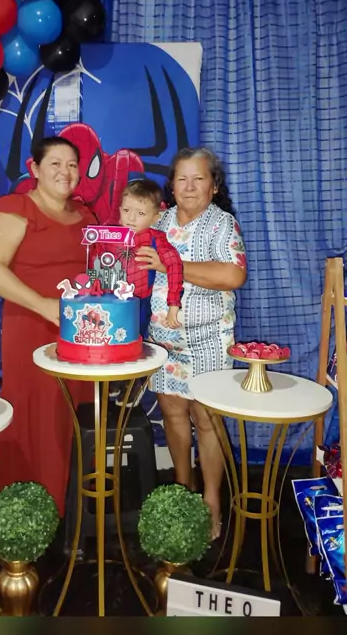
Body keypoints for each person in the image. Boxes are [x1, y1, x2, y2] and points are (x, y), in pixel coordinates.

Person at [0, 136, 95, 517]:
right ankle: (31, 513)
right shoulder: (16, 209)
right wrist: (43, 305)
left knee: (74, 416)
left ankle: (72, 508)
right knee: (37, 417)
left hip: (80, 333)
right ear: (35, 168)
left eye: (72, 164)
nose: (65, 172)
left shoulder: (87, 217)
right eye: (55, 163)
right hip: (31, 329)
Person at [135, 147, 247, 538]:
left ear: (213, 186)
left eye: (199, 178)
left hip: (209, 339)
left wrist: (171, 265)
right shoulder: (159, 221)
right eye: (182, 178)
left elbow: (233, 276)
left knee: (207, 421)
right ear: (172, 185)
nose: (189, 186)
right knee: (174, 416)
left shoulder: (222, 224)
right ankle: (185, 490)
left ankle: (212, 499)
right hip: (166, 342)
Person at [101, 179, 184, 407]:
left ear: (155, 217)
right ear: (119, 210)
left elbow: (175, 267)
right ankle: (117, 379)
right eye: (127, 210)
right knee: (109, 340)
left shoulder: (157, 239)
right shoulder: (109, 235)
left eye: (140, 213)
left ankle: (133, 382)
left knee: (132, 341)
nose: (131, 218)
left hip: (139, 302)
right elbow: (95, 261)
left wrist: (173, 304)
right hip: (109, 302)